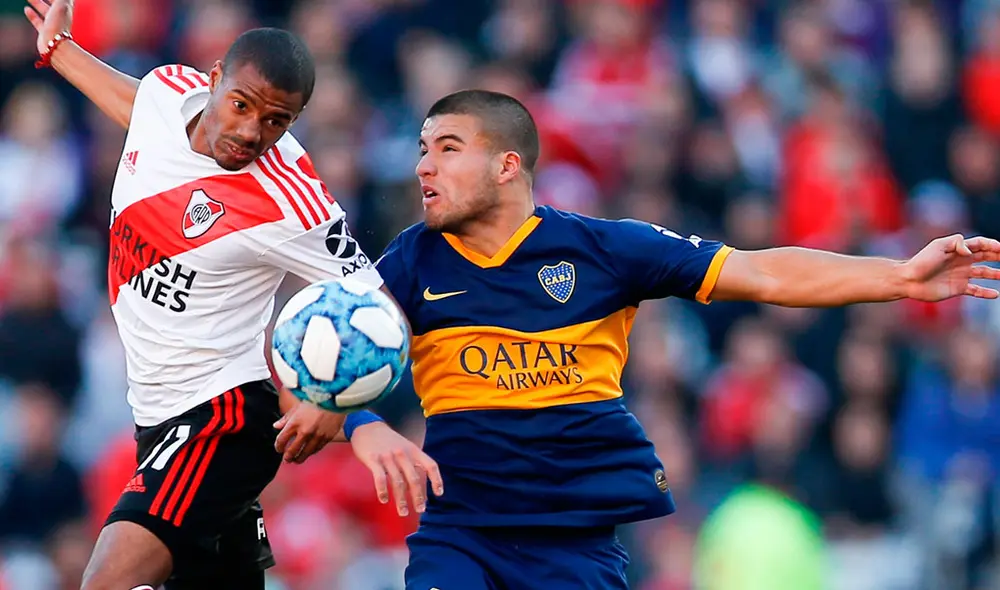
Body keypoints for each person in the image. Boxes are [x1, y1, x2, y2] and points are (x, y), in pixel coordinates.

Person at [371, 88, 1000, 589]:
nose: (423, 165)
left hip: (574, 543)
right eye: (423, 149)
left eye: (447, 148)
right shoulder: (410, 261)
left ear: (506, 165)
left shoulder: (603, 250)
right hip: (460, 533)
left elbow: (762, 270)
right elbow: (320, 355)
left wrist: (899, 276)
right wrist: (361, 425)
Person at [22, 1, 442, 589]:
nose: (251, 131)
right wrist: (59, 48)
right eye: (242, 106)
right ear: (215, 79)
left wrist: (345, 410)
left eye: (277, 121)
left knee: (106, 583)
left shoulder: (293, 202)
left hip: (221, 418)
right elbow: (136, 108)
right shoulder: (168, 91)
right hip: (155, 415)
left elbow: (381, 310)